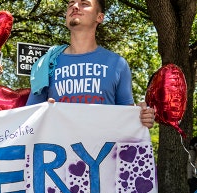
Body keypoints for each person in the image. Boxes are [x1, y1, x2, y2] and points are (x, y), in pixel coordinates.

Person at [26, 0, 155, 128]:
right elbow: (29, 119)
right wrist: (44, 112)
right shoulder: (46, 64)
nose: (75, 7)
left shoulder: (118, 64)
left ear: (99, 17)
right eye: (71, 4)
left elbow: (126, 120)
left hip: (104, 147)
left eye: (84, 4)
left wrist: (141, 118)